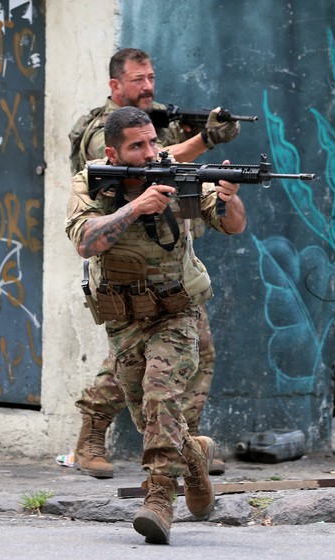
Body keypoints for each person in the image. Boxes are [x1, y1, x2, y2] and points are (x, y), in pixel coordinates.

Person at [65, 106, 247, 544]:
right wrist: (136, 207)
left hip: (176, 312)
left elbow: (232, 226)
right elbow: (85, 242)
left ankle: (159, 498)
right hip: (124, 319)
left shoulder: (175, 173)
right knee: (147, 416)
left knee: (161, 398)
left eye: (152, 142)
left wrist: (228, 198)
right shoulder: (91, 179)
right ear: (113, 152)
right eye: (138, 146)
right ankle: (195, 460)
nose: (151, 153)